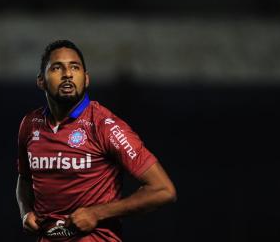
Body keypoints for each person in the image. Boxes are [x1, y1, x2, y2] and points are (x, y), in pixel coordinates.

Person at [16, 40, 176, 241]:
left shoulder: (105, 126)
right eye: (57, 68)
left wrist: (96, 213)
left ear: (86, 78)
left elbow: (163, 190)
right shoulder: (30, 124)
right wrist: (25, 212)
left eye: (75, 67)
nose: (67, 74)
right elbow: (24, 178)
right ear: (41, 81)